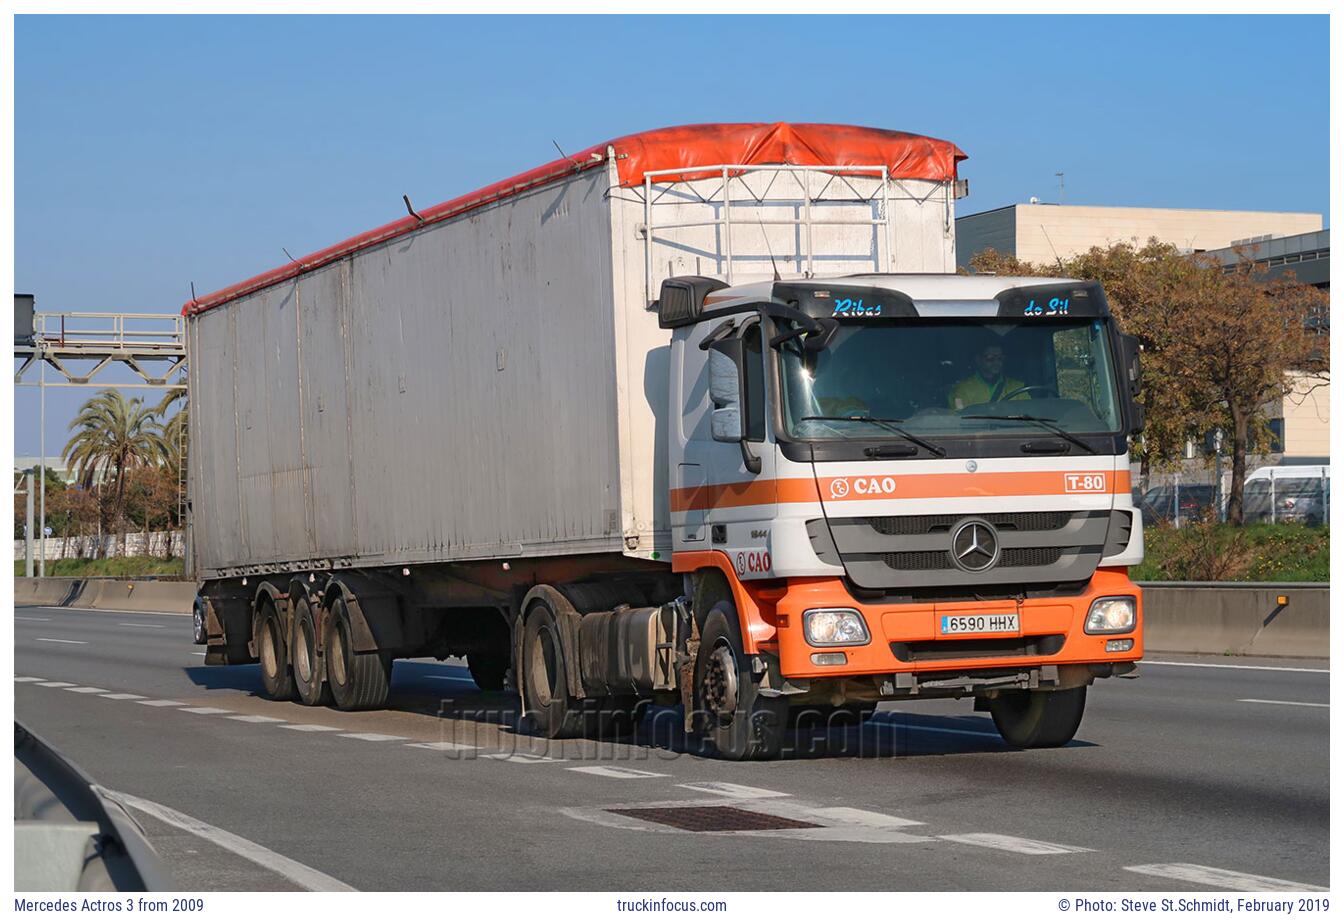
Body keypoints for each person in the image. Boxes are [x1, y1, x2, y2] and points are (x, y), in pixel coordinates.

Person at [948, 341, 1028, 410]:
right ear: (978, 359)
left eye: (1000, 358)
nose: (996, 363)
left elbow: (1028, 412)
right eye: (990, 358)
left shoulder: (1017, 387)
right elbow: (959, 417)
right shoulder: (962, 389)